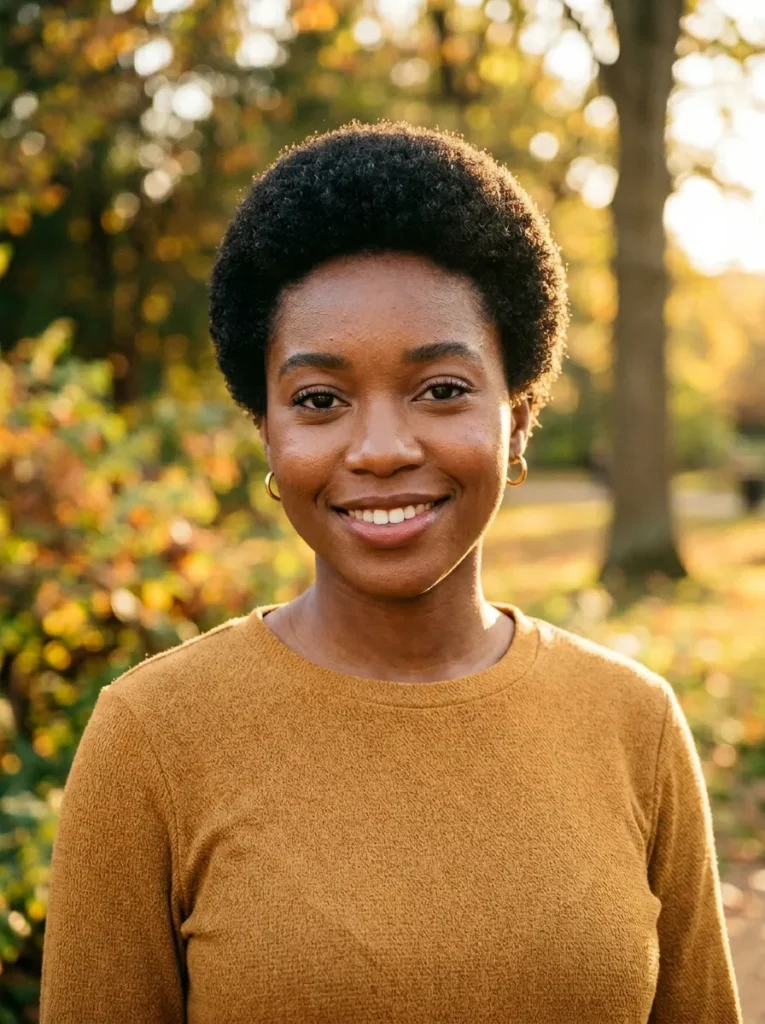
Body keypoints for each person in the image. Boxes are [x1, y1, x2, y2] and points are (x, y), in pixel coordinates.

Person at [40, 122, 742, 1023]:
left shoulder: (632, 724)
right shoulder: (152, 738)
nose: (379, 449)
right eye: (320, 401)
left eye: (441, 389)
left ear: (517, 416)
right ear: (268, 430)